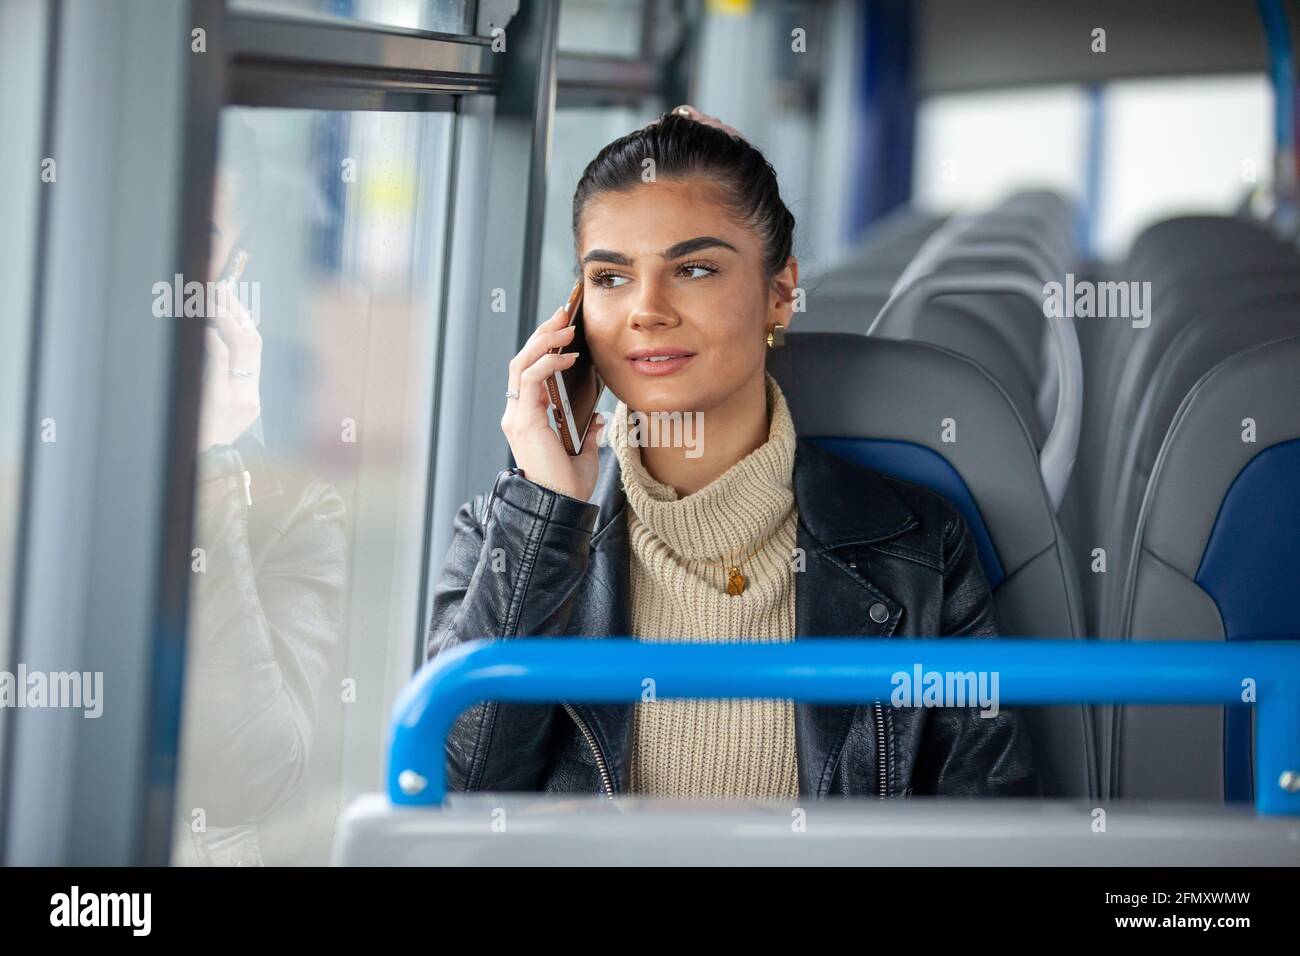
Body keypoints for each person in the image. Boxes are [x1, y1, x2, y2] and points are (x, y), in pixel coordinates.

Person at [426, 106, 1040, 799]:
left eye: (692, 268)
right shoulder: (507, 538)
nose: (646, 310)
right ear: (573, 318)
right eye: (610, 277)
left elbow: (984, 824)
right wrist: (548, 510)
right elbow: (457, 796)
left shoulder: (919, 548)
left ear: (779, 292)